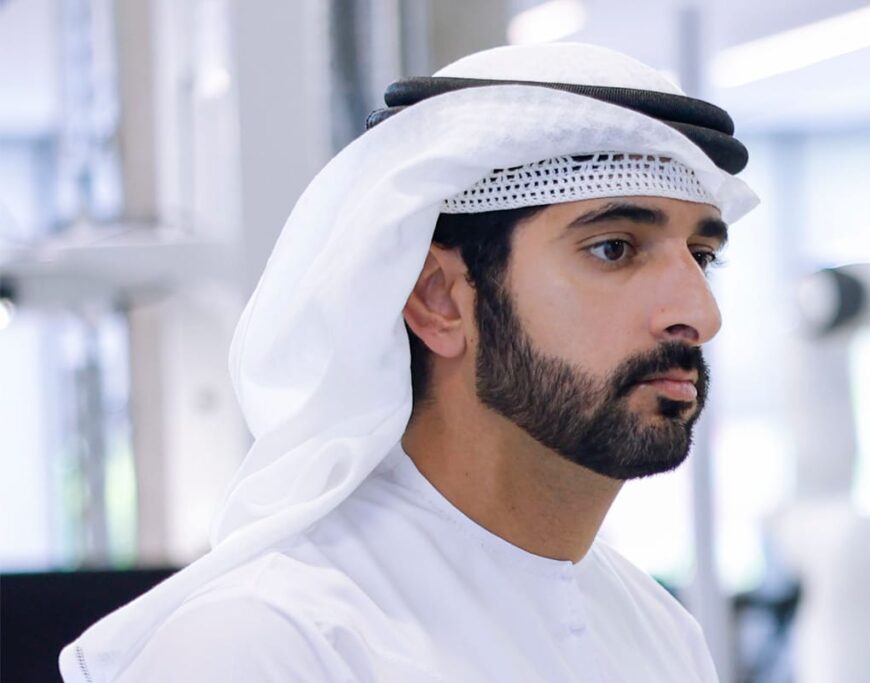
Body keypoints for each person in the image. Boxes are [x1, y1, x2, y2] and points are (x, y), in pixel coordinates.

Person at [60, 43, 759, 682]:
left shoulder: (661, 634)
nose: (699, 314)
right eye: (614, 248)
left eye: (701, 256)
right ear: (438, 300)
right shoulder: (270, 643)